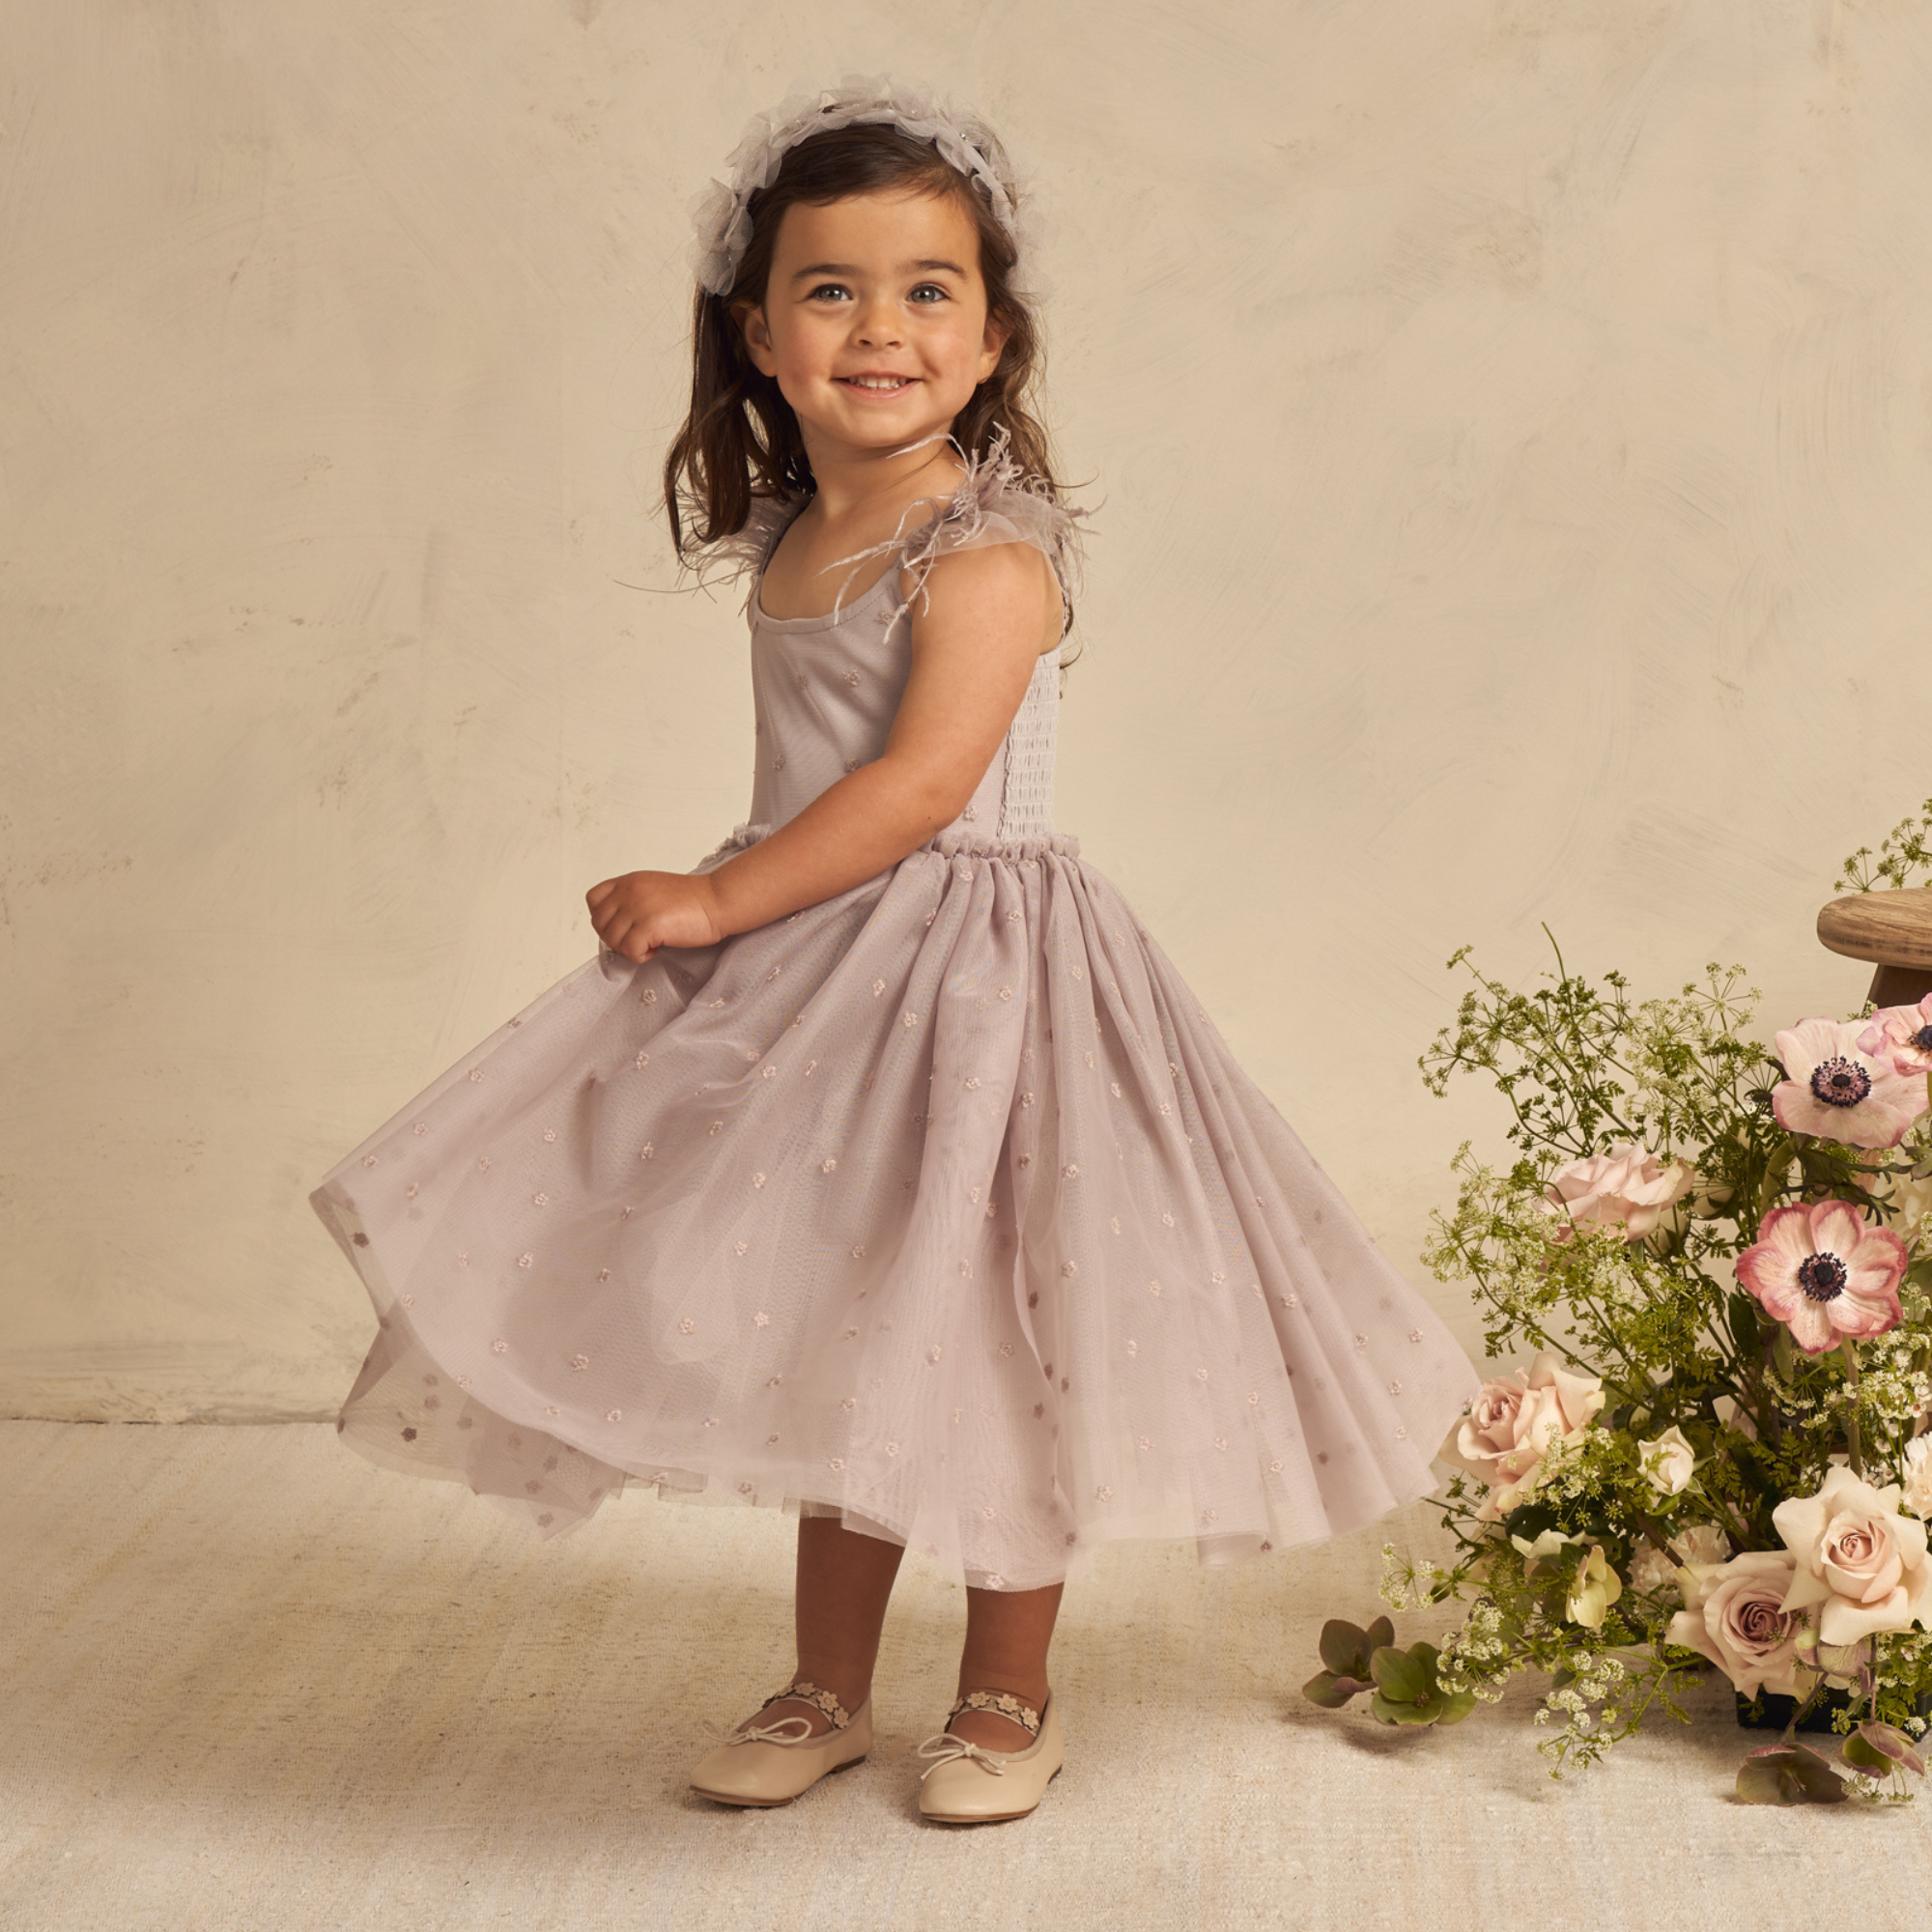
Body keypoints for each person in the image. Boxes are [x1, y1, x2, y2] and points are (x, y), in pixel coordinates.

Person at [311, 74, 1478, 1826]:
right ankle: (825, 1686)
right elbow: (823, 781)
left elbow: (929, 786)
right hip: (830, 982)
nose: (881, 326)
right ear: (760, 336)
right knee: (846, 1326)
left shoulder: (985, 553)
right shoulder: (799, 533)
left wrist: (716, 899)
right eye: (833, 289)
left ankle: (1009, 1692)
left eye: (928, 288)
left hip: (993, 985)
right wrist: (743, 914)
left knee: (1013, 1336)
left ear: (994, 338)